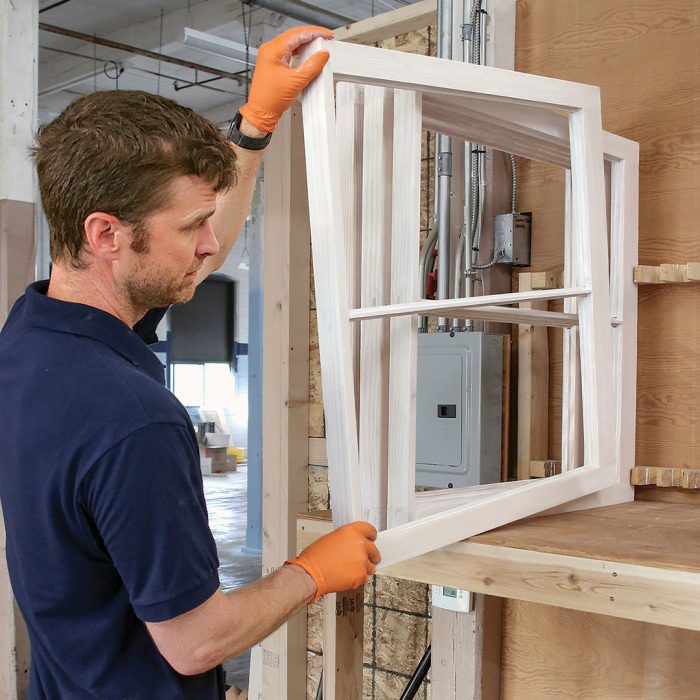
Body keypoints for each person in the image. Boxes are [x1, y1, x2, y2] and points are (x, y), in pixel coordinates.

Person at [0, 26, 380, 700]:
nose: (211, 246)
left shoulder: (30, 340)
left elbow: (202, 252)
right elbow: (194, 641)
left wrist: (254, 126)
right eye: (189, 228)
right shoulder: (133, 419)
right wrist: (311, 573)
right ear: (105, 234)